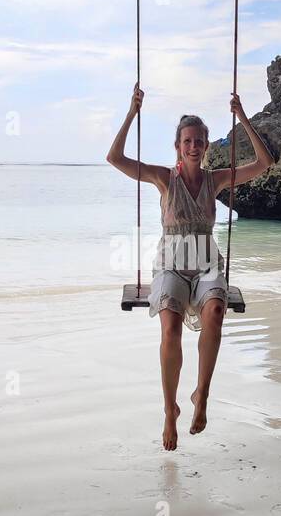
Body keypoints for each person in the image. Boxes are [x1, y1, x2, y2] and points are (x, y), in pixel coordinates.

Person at [107, 86, 272, 449]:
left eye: (199, 140)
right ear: (178, 146)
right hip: (171, 265)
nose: (193, 146)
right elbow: (115, 158)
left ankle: (202, 395)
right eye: (187, 141)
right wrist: (132, 112)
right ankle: (170, 411)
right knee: (170, 327)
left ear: (206, 146)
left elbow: (264, 164)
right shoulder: (164, 178)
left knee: (215, 311)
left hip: (206, 262)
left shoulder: (216, 180)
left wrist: (243, 116)